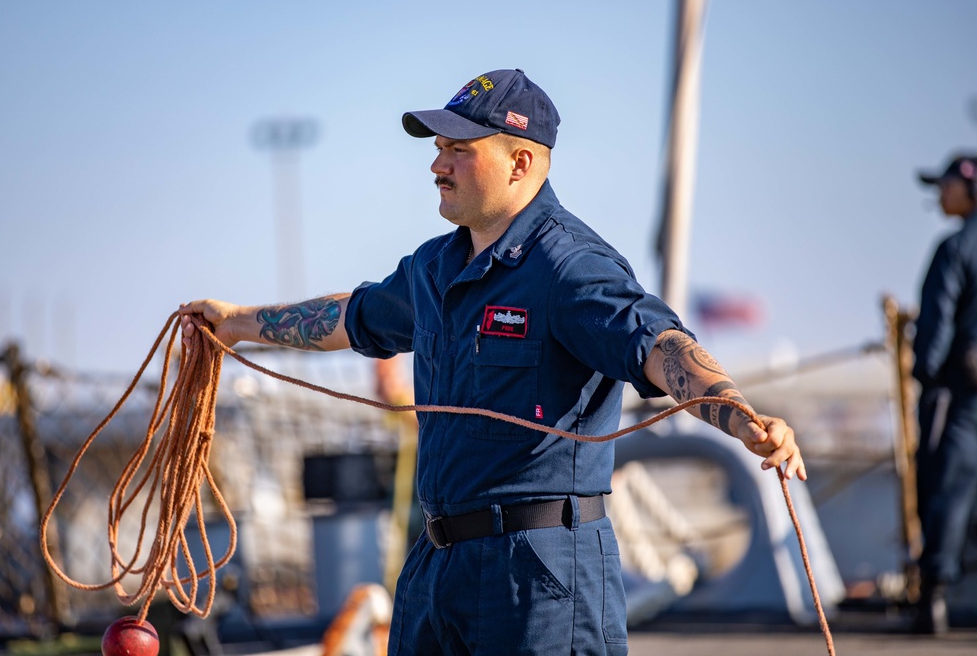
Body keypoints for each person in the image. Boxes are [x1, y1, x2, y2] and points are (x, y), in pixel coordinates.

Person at [180, 69, 805, 655]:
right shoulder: (433, 267)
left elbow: (659, 345)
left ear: (521, 162)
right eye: (437, 148)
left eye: (459, 150)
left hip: (540, 574)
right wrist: (236, 324)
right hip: (436, 564)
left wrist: (740, 415)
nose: (436, 165)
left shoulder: (570, 269)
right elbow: (356, 316)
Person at [912, 153, 977, 635]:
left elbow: (935, 329)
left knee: (945, 492)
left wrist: (926, 375)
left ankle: (933, 601)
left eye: (947, 185)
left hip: (959, 397)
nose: (940, 194)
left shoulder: (955, 248)